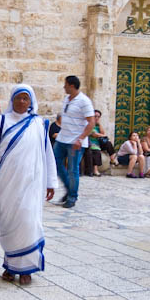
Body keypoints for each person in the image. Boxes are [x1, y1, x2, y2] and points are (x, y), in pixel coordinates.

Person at [0, 84, 56, 285]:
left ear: (31, 101)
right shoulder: (1, 122)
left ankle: (26, 269)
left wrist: (50, 182)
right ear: (12, 100)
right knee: (9, 227)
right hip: (5, 185)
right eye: (18, 98)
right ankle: (11, 265)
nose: (22, 102)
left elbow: (47, 153)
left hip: (32, 184)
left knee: (29, 223)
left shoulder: (39, 124)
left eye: (25, 98)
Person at [53, 75, 95, 208]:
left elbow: (91, 122)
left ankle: (72, 197)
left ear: (71, 86)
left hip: (75, 141)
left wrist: (81, 138)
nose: (64, 87)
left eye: (65, 84)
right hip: (62, 138)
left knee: (73, 170)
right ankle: (68, 188)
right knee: (55, 163)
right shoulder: (67, 99)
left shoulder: (84, 101)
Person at [83, 110, 118, 176]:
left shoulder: (97, 125)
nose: (97, 118)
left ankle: (112, 159)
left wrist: (99, 124)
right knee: (96, 150)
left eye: (98, 117)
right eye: (95, 116)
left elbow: (102, 132)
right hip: (90, 143)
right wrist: (104, 136)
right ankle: (95, 170)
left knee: (108, 143)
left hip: (98, 142)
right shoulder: (89, 124)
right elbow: (94, 134)